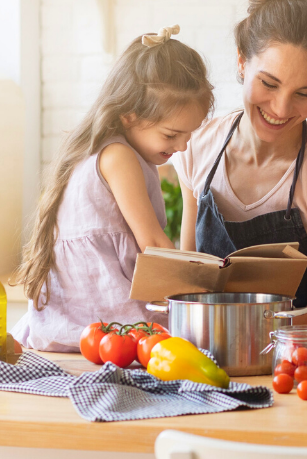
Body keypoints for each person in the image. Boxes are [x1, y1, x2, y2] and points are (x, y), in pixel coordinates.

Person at [175, 0, 307, 327]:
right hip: (202, 361)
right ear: (242, 63)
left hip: (292, 367)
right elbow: (188, 287)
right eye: (269, 83)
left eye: (304, 93)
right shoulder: (197, 147)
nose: (280, 108)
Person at [11, 26, 214, 351]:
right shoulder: (118, 156)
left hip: (76, 319)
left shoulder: (108, 149)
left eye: (189, 134)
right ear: (129, 116)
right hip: (106, 315)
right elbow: (151, 242)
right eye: (171, 135)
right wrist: (195, 290)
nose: (182, 146)